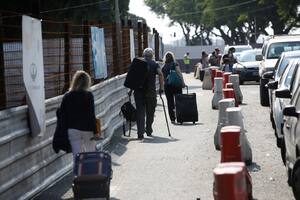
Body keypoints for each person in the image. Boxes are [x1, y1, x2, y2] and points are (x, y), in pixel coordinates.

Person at [59, 70, 100, 169]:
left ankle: (79, 179)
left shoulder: (67, 96)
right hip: (87, 130)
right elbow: (91, 115)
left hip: (73, 130)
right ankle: (92, 175)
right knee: (91, 154)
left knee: (77, 157)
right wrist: (95, 132)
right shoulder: (88, 95)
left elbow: (61, 114)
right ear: (87, 82)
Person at [133, 48, 164, 139]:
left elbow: (132, 77)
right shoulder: (155, 64)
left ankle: (140, 133)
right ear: (152, 55)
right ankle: (149, 129)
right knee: (150, 112)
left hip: (138, 92)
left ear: (143, 55)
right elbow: (161, 74)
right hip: (150, 92)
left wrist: (131, 90)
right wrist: (161, 88)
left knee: (140, 112)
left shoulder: (138, 63)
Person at [162, 52, 185, 123]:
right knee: (178, 100)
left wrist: (162, 87)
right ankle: (180, 117)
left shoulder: (163, 67)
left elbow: (163, 78)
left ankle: (172, 119)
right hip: (176, 85)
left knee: (170, 102)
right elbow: (179, 73)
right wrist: (183, 82)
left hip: (167, 86)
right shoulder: (175, 64)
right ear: (173, 57)